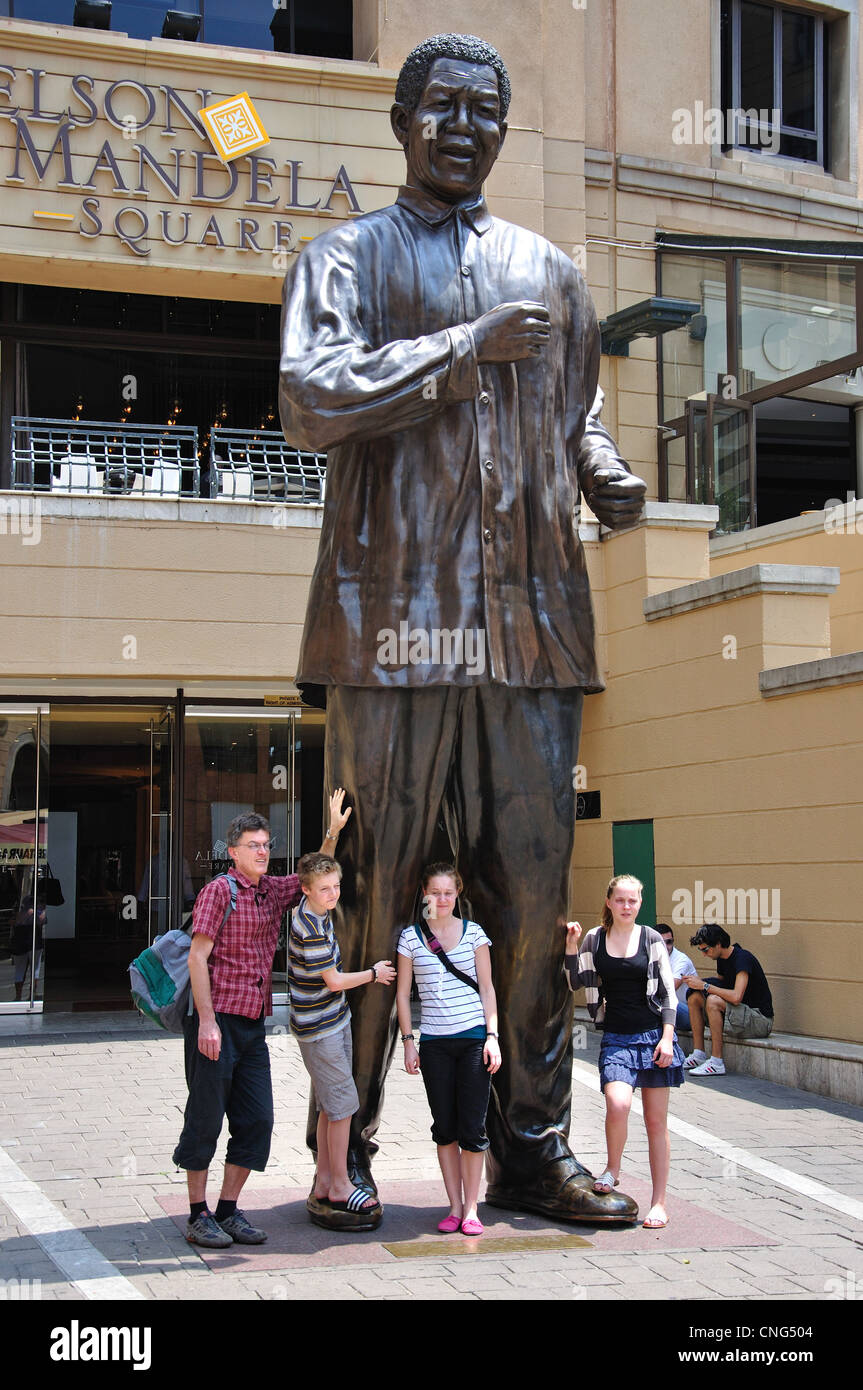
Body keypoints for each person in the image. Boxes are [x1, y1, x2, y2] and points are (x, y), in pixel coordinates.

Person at [279, 31, 645, 1225]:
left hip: (531, 635)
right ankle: (354, 1153)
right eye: (438, 105)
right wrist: (458, 354)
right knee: (377, 893)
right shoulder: (344, 257)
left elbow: (572, 410)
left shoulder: (551, 268)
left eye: (482, 110)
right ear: (399, 118)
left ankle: (530, 1146)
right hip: (388, 633)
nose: (462, 126)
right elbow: (309, 397)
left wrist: (601, 470)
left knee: (533, 903)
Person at [172, 789, 351, 1249]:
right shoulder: (219, 891)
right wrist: (207, 1022)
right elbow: (197, 959)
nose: (263, 851)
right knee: (206, 1118)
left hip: (252, 1025)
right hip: (216, 1024)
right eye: (254, 845)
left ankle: (228, 1210)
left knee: (257, 1122)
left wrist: (332, 829)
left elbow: (315, 876)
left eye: (268, 844)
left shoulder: (274, 891)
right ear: (233, 852)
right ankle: (197, 1214)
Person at [564, 875, 685, 1230]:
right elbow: (576, 982)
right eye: (620, 900)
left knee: (655, 1124)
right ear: (609, 902)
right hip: (617, 1036)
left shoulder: (651, 939)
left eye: (632, 901)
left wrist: (667, 1037)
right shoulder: (594, 939)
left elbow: (667, 994)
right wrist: (571, 947)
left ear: (639, 903)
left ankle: (659, 1202)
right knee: (618, 1103)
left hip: (653, 1036)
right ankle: (613, 1169)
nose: (627, 906)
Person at [291, 852, 396, 1231]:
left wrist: (333, 833)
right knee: (343, 1108)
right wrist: (373, 973)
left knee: (328, 1106)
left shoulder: (312, 907)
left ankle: (323, 1178)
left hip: (330, 1021)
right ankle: (339, 1184)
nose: (333, 894)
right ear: (306, 890)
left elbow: (318, 869)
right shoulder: (310, 926)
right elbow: (333, 981)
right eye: (325, 889)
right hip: (320, 1029)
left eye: (336, 886)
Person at [396, 863, 501, 1236]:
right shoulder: (410, 938)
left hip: (473, 1038)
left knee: (473, 1128)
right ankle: (453, 1206)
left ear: (458, 894)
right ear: (424, 894)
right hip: (435, 1043)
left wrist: (493, 1036)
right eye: (435, 892)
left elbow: (487, 989)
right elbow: (404, 996)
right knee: (445, 1128)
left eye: (448, 892)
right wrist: (409, 1043)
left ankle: (472, 1208)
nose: (441, 899)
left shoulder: (475, 934)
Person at [682, 924, 774, 1076]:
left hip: (760, 1020)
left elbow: (736, 997)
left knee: (712, 1000)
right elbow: (721, 987)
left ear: (718, 944)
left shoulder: (742, 958)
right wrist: (698, 986)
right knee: (695, 996)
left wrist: (705, 985)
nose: (704, 954)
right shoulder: (722, 959)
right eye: (701, 950)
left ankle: (717, 1062)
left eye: (706, 949)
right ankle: (698, 1054)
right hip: (741, 1016)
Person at [656, 923, 697, 1033]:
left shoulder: (681, 960)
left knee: (661, 1002)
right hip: (667, 1009)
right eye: (661, 943)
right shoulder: (651, 957)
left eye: (669, 942)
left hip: (689, 1014)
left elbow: (669, 990)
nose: (666, 946)